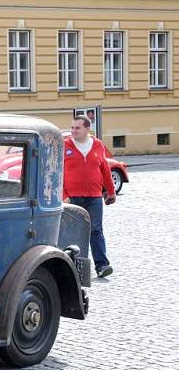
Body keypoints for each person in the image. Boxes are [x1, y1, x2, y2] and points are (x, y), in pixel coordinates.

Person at [64, 116, 116, 278]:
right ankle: (74, 270)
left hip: (94, 196)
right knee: (73, 234)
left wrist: (110, 191)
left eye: (77, 128)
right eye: (72, 127)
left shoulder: (97, 145)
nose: (73, 131)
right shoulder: (65, 145)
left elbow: (105, 169)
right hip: (72, 197)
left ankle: (102, 266)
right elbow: (57, 171)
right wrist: (63, 195)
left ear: (87, 129)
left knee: (96, 230)